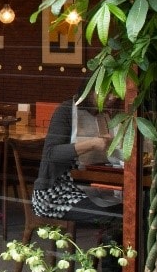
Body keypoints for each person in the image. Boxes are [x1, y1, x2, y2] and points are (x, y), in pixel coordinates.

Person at [32, 89, 122, 222]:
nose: (112, 97)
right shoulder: (66, 110)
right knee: (119, 216)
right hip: (56, 193)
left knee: (132, 209)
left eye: (116, 93)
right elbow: (51, 153)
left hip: (91, 189)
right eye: (107, 91)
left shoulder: (105, 114)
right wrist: (92, 144)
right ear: (90, 88)